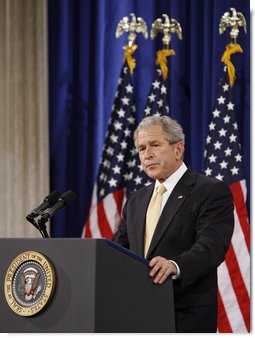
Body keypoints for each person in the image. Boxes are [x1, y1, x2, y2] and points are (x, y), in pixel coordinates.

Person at [112, 115, 234, 333]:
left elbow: (211, 247)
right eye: (141, 149)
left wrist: (175, 265)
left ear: (178, 149)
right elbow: (118, 250)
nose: (147, 155)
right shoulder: (136, 200)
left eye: (155, 145)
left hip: (184, 315)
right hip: (137, 314)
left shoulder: (209, 191)